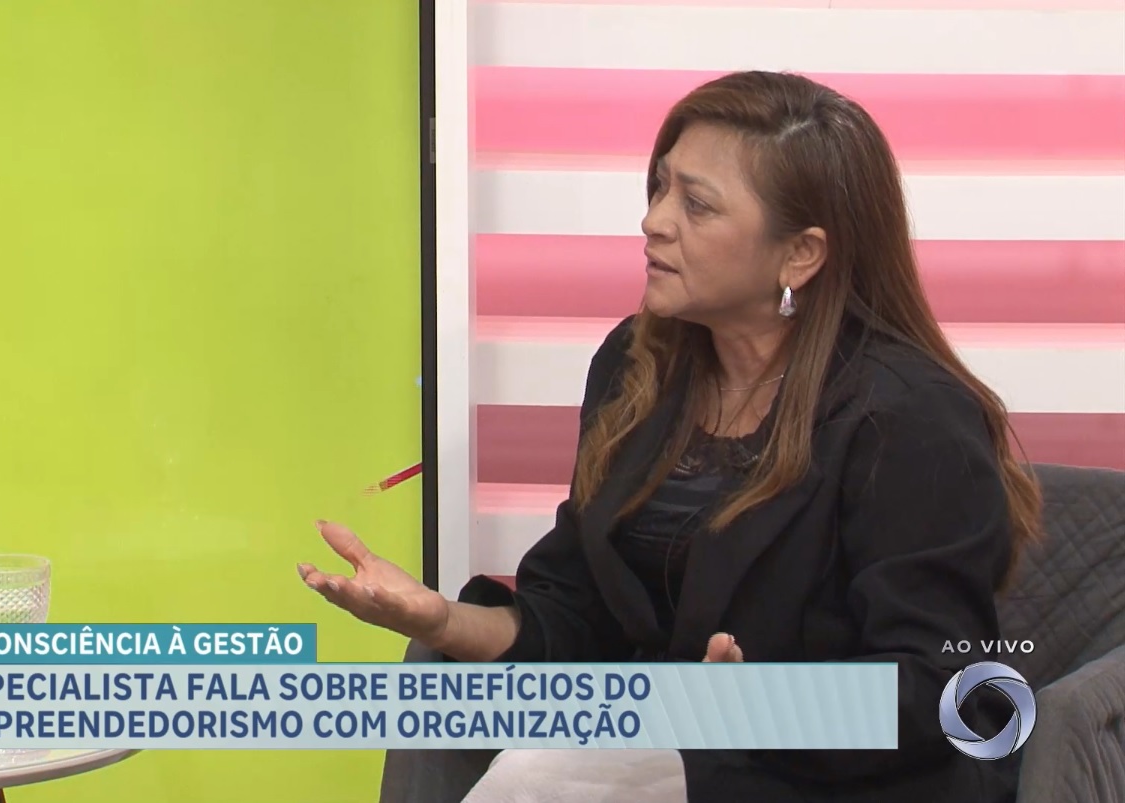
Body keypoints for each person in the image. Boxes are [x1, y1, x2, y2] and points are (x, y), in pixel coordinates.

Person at [298, 70, 1044, 803]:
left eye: (696, 204)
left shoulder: (909, 417)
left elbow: (941, 691)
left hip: (841, 778)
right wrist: (444, 619)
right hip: (667, 740)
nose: (654, 220)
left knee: (545, 778)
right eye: (659, 187)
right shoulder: (637, 367)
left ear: (800, 254)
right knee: (460, 701)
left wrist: (753, 710)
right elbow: (579, 615)